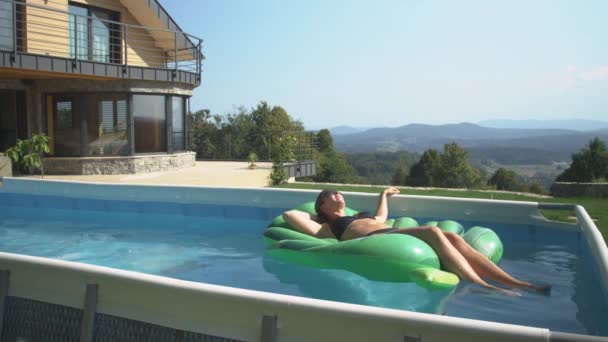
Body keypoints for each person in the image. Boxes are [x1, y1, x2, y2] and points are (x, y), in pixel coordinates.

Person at [282, 187, 550, 296]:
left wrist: (384, 193)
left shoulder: (357, 213)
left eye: (338, 192)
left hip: (386, 230)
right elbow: (289, 213)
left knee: (453, 236)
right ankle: (480, 284)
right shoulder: (327, 227)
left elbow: (381, 216)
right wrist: (317, 216)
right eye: (331, 195)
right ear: (323, 206)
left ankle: (518, 283)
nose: (338, 194)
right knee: (434, 233)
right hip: (377, 239)